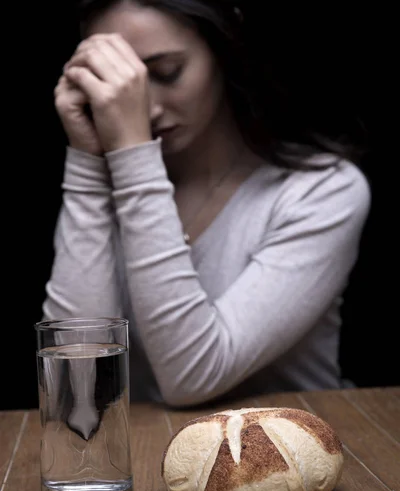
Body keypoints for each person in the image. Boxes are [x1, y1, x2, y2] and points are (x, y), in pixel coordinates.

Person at [42, 0, 371, 406]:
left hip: (298, 455)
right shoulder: (109, 187)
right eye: (118, 87)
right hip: (153, 458)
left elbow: (192, 376)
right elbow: (76, 381)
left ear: (221, 49)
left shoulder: (320, 191)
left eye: (166, 73)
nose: (147, 109)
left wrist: (131, 151)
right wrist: (89, 164)